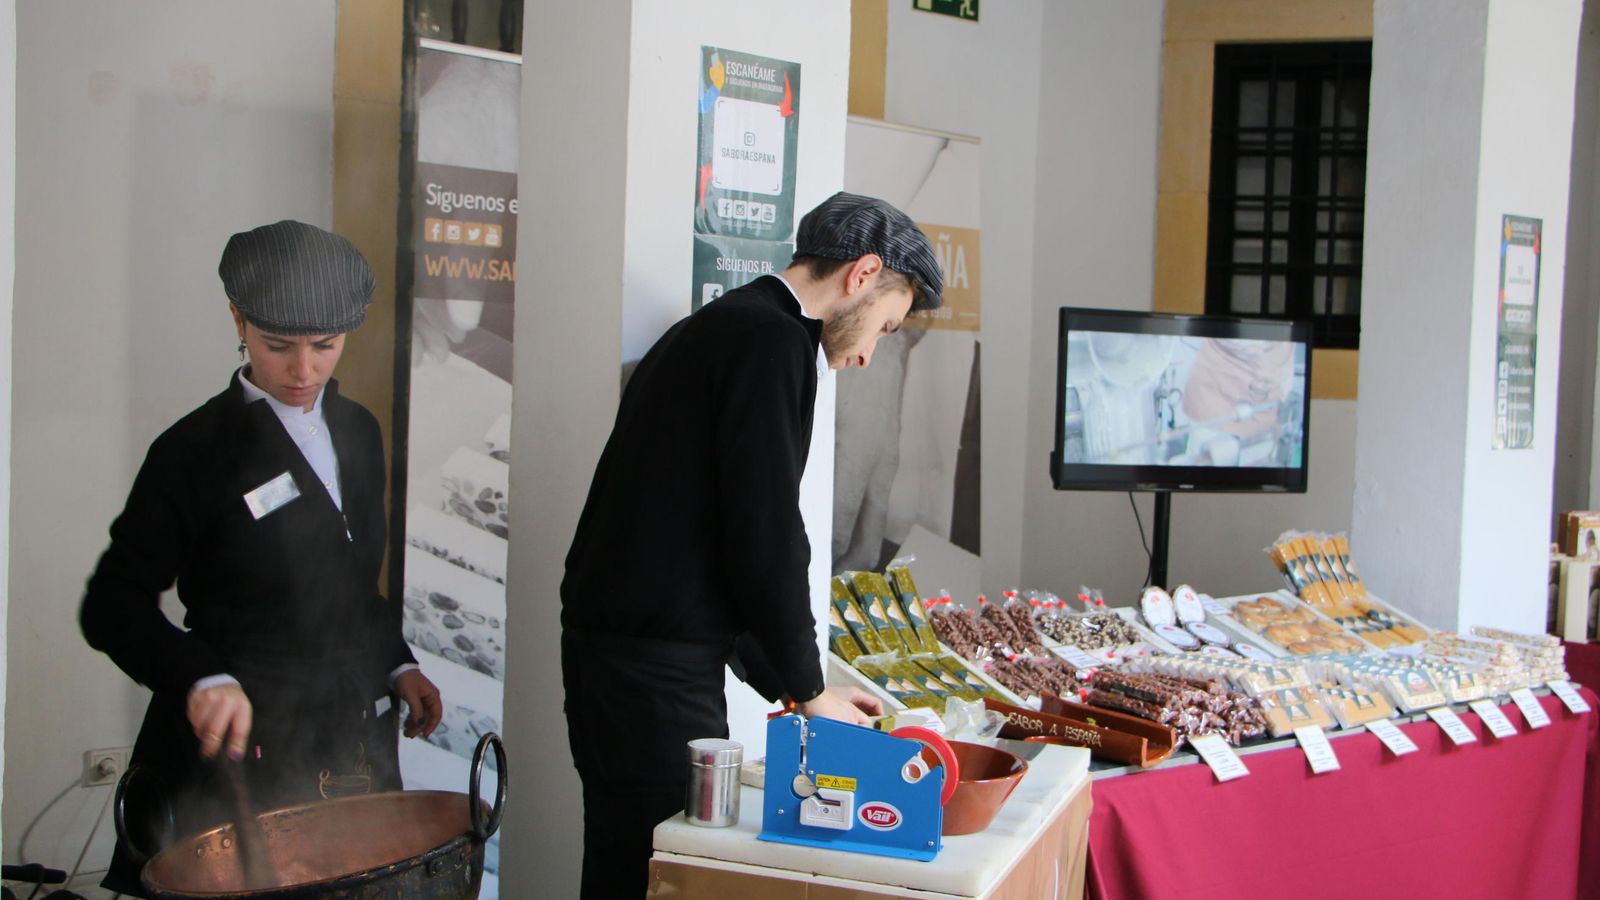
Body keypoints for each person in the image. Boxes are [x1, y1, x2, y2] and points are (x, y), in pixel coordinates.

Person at [561, 192, 944, 898]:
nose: (868, 355)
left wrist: (802, 684)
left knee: (626, 864)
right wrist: (807, 687)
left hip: (627, 659)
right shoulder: (770, 340)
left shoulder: (723, 326)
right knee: (653, 872)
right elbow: (766, 533)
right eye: (886, 327)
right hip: (648, 672)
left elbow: (717, 535)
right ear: (861, 275)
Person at [79, 220, 444, 896]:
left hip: (345, 741)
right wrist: (198, 677)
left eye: (325, 346)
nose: (303, 370)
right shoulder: (193, 451)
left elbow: (350, 579)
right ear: (238, 319)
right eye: (279, 346)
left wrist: (396, 661)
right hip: (236, 756)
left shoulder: (358, 432)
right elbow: (112, 604)